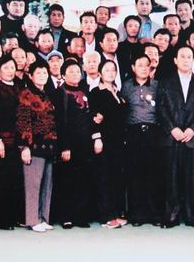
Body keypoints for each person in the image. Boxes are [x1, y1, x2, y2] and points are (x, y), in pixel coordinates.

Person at [157, 46, 194, 228]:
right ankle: (171, 217)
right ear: (175, 60)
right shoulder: (165, 82)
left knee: (193, 179)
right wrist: (172, 129)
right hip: (171, 137)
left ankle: (192, 217)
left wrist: (193, 129)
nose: (186, 60)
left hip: (192, 139)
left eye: (189, 57)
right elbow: (161, 109)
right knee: (171, 179)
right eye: (182, 56)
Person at [52, 59, 97, 229]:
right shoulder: (60, 93)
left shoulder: (85, 91)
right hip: (69, 144)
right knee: (67, 180)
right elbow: (59, 122)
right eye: (71, 71)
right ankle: (66, 216)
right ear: (63, 75)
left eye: (77, 71)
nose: (75, 74)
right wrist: (64, 146)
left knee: (83, 179)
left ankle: (80, 216)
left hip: (85, 143)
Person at [0, 55, 25, 230]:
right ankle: (0, 219)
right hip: (1, 141)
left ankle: (13, 216)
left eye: (12, 67)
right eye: (6, 67)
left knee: (15, 179)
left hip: (17, 140)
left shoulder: (19, 87)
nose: (10, 71)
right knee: (1, 180)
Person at [121, 54, 162, 226]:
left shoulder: (157, 85)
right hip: (133, 133)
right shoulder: (126, 86)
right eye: (140, 65)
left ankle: (154, 214)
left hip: (153, 132)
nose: (144, 68)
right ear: (133, 68)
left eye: (147, 65)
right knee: (135, 174)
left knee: (153, 174)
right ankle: (136, 215)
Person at [17, 61, 58, 233]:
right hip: (33, 146)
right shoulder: (26, 94)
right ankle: (33, 219)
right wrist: (24, 147)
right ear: (31, 76)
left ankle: (43, 217)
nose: (42, 76)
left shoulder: (46, 94)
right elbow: (23, 121)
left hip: (49, 145)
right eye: (38, 73)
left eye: (44, 73)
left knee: (46, 184)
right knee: (33, 184)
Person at [90, 60, 128, 228]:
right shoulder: (96, 92)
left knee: (116, 177)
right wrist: (96, 138)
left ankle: (115, 212)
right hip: (104, 140)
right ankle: (106, 216)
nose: (110, 73)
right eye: (107, 70)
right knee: (104, 177)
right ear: (100, 73)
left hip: (118, 141)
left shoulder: (118, 92)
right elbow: (93, 118)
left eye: (113, 70)